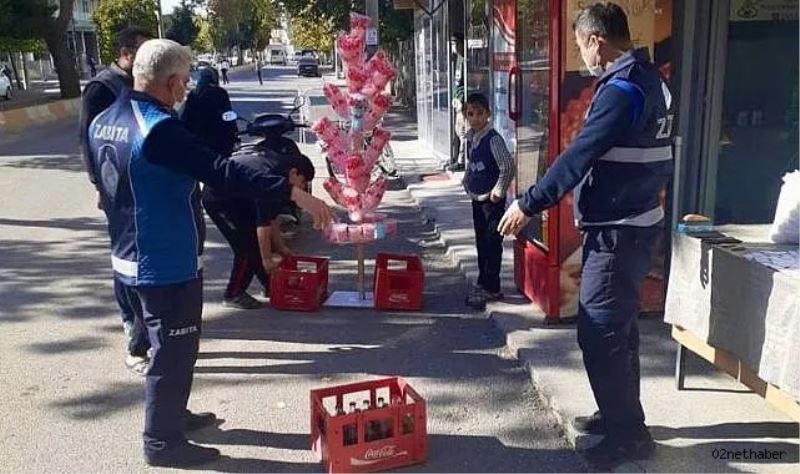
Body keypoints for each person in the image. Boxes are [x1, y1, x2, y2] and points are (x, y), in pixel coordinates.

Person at [87, 38, 332, 467]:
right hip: (163, 260)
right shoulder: (158, 128)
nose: (184, 91)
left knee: (168, 349)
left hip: (125, 255)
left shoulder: (105, 118)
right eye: (181, 83)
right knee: (174, 351)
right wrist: (297, 194)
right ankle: (161, 442)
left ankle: (172, 415)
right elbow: (222, 171)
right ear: (169, 81)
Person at [498, 3, 674, 468]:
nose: (582, 56)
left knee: (599, 331)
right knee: (621, 328)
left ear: (597, 40)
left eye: (580, 45)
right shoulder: (651, 78)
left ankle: (628, 435)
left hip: (619, 231)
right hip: (634, 223)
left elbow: (578, 156)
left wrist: (527, 202)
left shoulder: (620, 90)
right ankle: (619, 412)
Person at [79, 26, 152, 376]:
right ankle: (133, 330)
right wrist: (98, 184)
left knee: (141, 259)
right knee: (126, 262)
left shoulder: (135, 82)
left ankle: (146, 327)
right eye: (142, 51)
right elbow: (88, 139)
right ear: (125, 52)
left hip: (141, 188)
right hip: (116, 189)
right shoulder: (103, 88)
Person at [201, 152, 312, 309]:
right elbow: (263, 224)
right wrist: (266, 259)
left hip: (238, 198)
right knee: (246, 248)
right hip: (218, 198)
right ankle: (234, 293)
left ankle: (270, 286)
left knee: (258, 245)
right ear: (293, 172)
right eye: (302, 182)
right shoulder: (269, 178)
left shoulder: (279, 175)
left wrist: (281, 248)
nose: (301, 188)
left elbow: (271, 219)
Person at [462, 92, 516, 310]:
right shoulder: (472, 138)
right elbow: (471, 164)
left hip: (491, 201)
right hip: (477, 198)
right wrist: (466, 181)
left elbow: (507, 166)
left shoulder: (493, 139)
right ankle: (483, 281)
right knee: (481, 242)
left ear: (488, 115)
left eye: (479, 113)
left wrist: (499, 191)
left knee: (492, 242)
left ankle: (492, 286)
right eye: (470, 114)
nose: (475, 118)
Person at [447, 33, 467, 172]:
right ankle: (459, 158)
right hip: (457, 101)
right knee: (458, 130)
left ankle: (462, 161)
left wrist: (462, 100)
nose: (453, 47)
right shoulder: (458, 59)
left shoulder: (465, 60)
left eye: (454, 43)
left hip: (463, 102)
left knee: (463, 132)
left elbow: (466, 82)